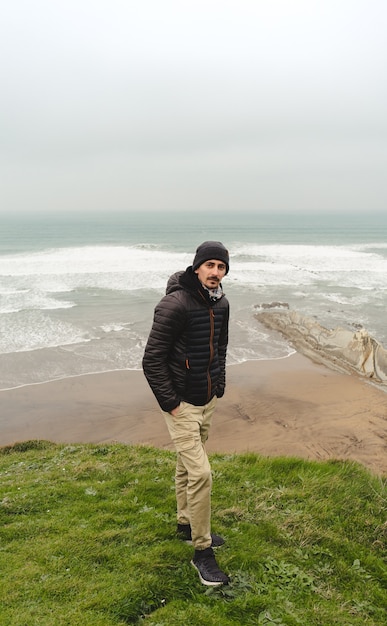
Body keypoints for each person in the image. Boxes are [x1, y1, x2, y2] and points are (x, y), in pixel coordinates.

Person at [142, 241, 230, 586]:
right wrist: (172, 404)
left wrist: (218, 385)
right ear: (196, 268)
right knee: (202, 474)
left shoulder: (221, 303)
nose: (215, 272)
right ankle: (202, 552)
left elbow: (220, 346)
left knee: (185, 464)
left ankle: (185, 523)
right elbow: (151, 360)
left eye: (221, 267)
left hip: (207, 399)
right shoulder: (174, 304)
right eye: (209, 265)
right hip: (181, 405)